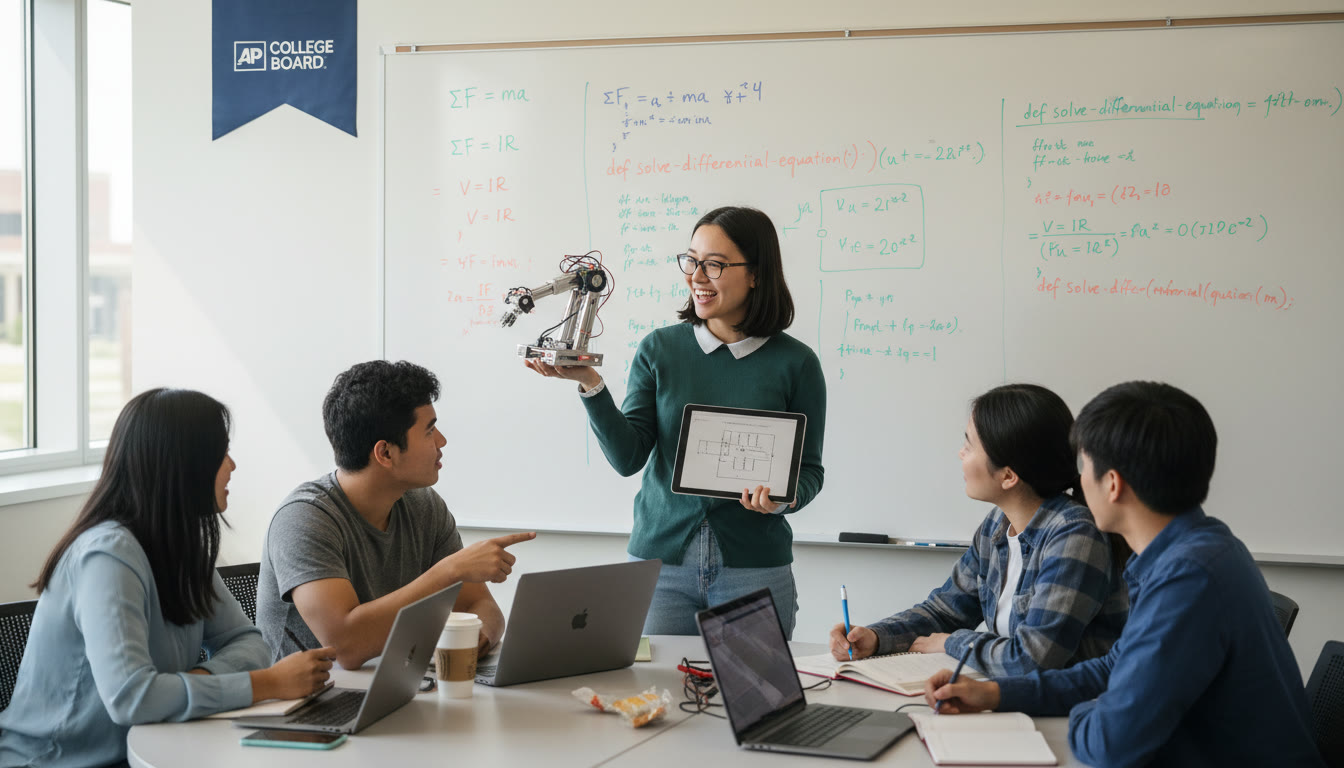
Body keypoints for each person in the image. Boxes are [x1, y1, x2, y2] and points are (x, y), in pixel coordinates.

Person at [924, 381, 1324, 768]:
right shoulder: (1196, 549)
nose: (1076, 481)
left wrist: (1096, 708)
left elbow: (1111, 744)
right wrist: (996, 692)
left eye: (1084, 467)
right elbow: (1112, 668)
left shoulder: (1188, 577)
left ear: (1112, 484)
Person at [525, 206, 825, 638]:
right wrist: (590, 383)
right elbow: (628, 458)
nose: (697, 276)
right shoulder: (660, 349)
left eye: (715, 265)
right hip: (660, 569)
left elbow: (810, 472)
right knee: (656, 700)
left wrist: (782, 498)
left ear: (756, 274)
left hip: (754, 569)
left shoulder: (796, 363)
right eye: (691, 261)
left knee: (757, 700)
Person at [0, 389, 333, 768]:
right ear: (184, 464)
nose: (232, 465)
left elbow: (247, 641)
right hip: (58, 762)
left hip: (159, 743)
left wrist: (192, 679)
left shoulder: (180, 543)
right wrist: (266, 684)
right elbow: (133, 698)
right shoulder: (107, 555)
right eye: (220, 453)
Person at [830, 384, 1128, 676]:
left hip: (1072, 710)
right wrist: (875, 637)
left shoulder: (1074, 535)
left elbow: (1034, 658)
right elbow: (945, 611)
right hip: (1014, 697)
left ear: (1008, 476)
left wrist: (952, 643)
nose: (961, 453)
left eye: (969, 446)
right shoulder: (996, 527)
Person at [256, 360, 534, 669]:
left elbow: (478, 605)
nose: (441, 441)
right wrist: (449, 571)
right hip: (314, 701)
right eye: (429, 432)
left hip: (396, 687)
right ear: (385, 453)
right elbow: (345, 646)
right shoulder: (304, 520)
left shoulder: (423, 505)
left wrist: (474, 639)